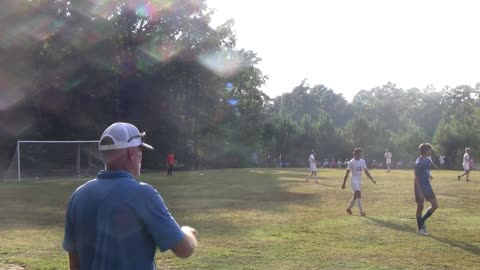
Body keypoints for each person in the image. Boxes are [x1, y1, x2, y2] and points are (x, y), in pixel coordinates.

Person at [62, 122, 198, 270]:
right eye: (140, 151)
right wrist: (187, 232)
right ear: (131, 153)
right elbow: (183, 249)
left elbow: (74, 265)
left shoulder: (78, 196)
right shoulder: (144, 195)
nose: (141, 157)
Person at [341, 148, 376, 216]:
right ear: (355, 154)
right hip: (353, 180)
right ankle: (361, 212)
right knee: (358, 194)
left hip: (359, 180)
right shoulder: (351, 162)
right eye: (359, 154)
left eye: (361, 154)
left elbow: (366, 171)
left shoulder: (362, 161)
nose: (360, 155)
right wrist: (343, 183)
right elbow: (347, 173)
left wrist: (372, 179)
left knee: (355, 196)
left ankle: (349, 208)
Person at [414, 143, 439, 236]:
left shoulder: (428, 160)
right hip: (419, 186)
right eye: (429, 149)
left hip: (427, 186)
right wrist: (419, 191)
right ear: (425, 151)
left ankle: (422, 221)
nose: (431, 151)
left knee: (435, 205)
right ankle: (420, 228)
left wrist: (430, 175)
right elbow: (416, 179)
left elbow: (427, 171)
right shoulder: (418, 163)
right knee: (420, 206)